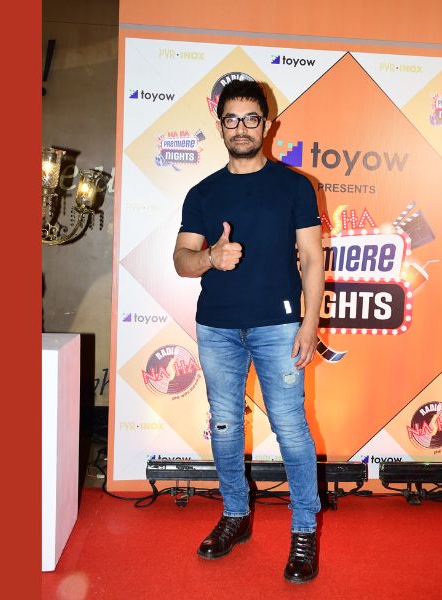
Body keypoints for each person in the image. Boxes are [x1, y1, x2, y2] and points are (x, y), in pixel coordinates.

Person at [173, 79, 324, 584]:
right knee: (224, 425)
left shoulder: (295, 187)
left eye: (251, 119)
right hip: (216, 328)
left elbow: (312, 258)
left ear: (267, 124)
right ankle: (236, 515)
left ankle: (304, 530)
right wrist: (210, 257)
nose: (241, 128)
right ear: (220, 126)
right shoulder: (203, 193)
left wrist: (309, 322)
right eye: (231, 119)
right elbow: (181, 260)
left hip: (279, 326)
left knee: (291, 429)